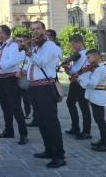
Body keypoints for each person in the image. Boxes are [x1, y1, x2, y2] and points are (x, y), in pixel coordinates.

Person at [26, 21, 65, 168]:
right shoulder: (37, 46)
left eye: (38, 28)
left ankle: (59, 155)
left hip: (45, 88)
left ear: (44, 29)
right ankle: (49, 150)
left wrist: (29, 53)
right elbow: (32, 65)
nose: (35, 31)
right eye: (33, 29)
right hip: (35, 88)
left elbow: (42, 63)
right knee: (41, 121)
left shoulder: (49, 46)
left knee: (50, 122)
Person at [0, 25, 28, 145]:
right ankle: (9, 130)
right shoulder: (1, 46)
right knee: (5, 106)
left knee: (15, 107)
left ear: (5, 33)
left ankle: (23, 134)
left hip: (9, 79)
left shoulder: (13, 45)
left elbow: (14, 60)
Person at [78, 49, 106, 152]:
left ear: (96, 57)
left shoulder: (99, 69)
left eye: (89, 57)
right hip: (95, 96)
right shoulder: (96, 68)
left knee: (100, 121)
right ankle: (103, 141)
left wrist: (80, 78)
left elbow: (92, 84)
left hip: (98, 97)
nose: (87, 60)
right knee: (99, 120)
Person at [62, 34, 92, 140]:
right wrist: (67, 69)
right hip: (75, 83)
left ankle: (86, 131)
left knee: (84, 107)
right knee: (70, 103)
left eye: (73, 44)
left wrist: (69, 68)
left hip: (82, 83)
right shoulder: (77, 54)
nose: (72, 46)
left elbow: (80, 71)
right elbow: (73, 72)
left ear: (79, 42)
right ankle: (75, 128)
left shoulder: (85, 55)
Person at [15, 36, 32, 120]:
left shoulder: (26, 51)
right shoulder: (15, 51)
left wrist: (22, 71)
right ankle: (19, 114)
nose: (18, 42)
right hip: (14, 76)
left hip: (23, 76)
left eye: (20, 41)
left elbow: (27, 63)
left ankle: (28, 113)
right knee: (16, 98)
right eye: (17, 41)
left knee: (25, 97)